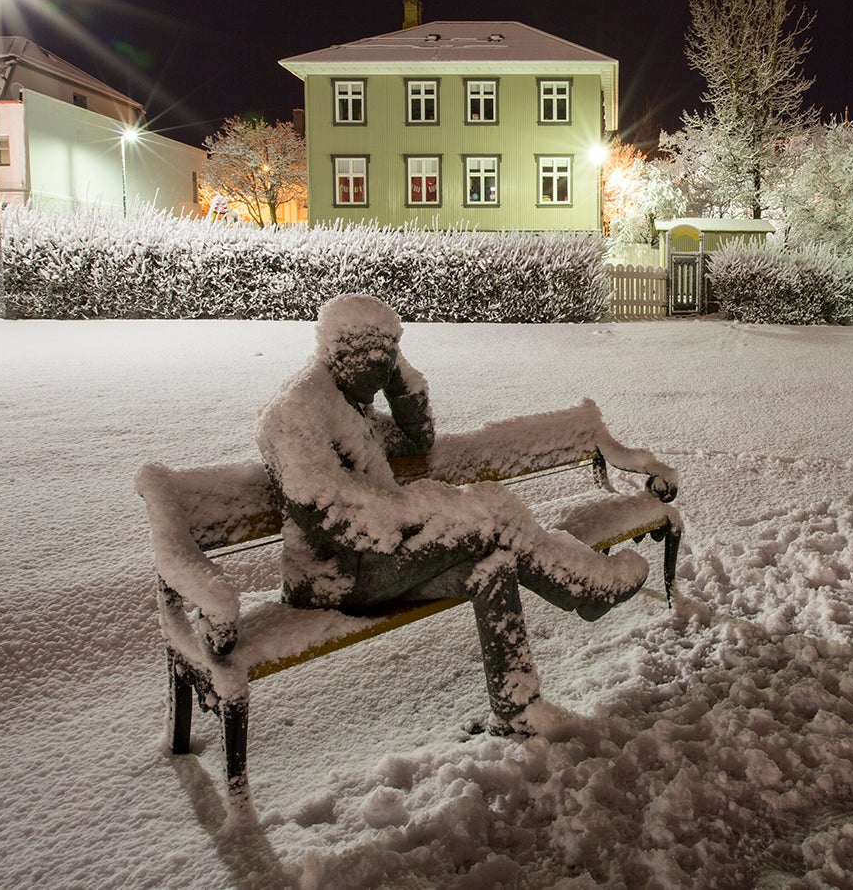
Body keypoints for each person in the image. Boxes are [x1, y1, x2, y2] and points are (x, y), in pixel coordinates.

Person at [255, 294, 649, 733]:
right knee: (490, 517)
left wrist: (399, 380)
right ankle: (583, 586)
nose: (381, 370)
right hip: (340, 579)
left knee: (493, 565)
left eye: (390, 358)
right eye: (375, 360)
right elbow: (330, 516)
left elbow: (419, 438)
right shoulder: (296, 414)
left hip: (384, 557)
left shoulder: (350, 401)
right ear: (340, 352)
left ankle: (517, 707)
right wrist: (423, 522)